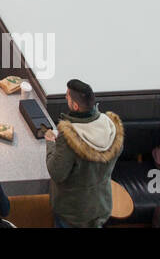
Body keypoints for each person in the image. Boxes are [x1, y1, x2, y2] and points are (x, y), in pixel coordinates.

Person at [43, 78, 123, 228]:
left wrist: (50, 143)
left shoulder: (69, 137)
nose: (65, 97)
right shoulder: (111, 126)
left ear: (75, 105)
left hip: (73, 211)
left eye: (67, 95)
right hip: (100, 205)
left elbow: (56, 173)